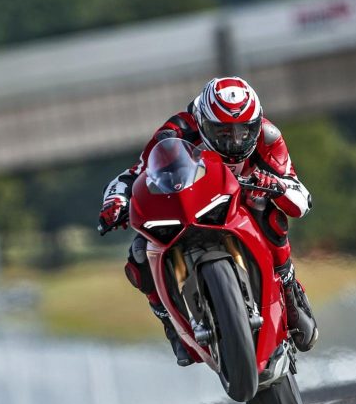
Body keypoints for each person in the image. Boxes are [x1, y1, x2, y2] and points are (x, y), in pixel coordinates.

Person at [97, 76, 318, 365]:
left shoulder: (268, 137)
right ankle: (170, 323)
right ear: (202, 122)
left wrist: (276, 185)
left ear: (256, 123)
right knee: (140, 253)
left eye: (244, 131)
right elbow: (136, 173)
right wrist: (116, 201)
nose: (235, 141)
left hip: (243, 202)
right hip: (193, 204)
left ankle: (289, 292)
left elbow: (301, 199)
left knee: (273, 216)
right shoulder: (176, 131)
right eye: (223, 132)